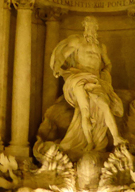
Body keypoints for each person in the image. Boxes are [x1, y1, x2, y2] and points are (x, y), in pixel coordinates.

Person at [50, 16, 125, 158]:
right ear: (84, 27)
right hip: (78, 76)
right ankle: (89, 142)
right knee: (85, 111)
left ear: (96, 28)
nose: (90, 28)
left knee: (104, 104)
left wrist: (105, 73)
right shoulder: (77, 41)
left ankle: (116, 137)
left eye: (93, 26)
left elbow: (108, 63)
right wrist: (58, 67)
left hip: (95, 79)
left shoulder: (101, 47)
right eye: (88, 25)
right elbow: (63, 54)